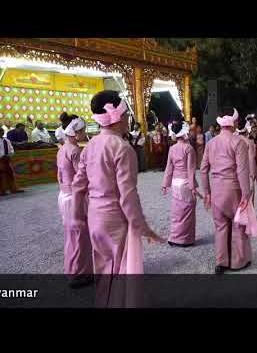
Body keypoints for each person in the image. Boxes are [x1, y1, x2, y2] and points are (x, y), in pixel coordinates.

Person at [70, 90, 164, 307]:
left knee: (103, 270)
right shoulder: (122, 148)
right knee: (121, 273)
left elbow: (78, 187)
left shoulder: (90, 146)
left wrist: (77, 217)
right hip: (115, 219)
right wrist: (143, 228)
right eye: (126, 114)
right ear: (118, 117)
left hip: (94, 216)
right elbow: (128, 197)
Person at [200, 107, 252, 274]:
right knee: (238, 225)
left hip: (216, 190)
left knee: (220, 226)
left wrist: (207, 191)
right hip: (234, 188)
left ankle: (221, 262)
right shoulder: (239, 142)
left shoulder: (211, 143)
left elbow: (203, 170)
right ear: (234, 122)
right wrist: (246, 193)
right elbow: (242, 171)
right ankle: (238, 261)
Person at [56, 117, 93, 288]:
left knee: (71, 235)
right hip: (74, 197)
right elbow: (81, 178)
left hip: (64, 195)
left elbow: (59, 176)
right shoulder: (75, 151)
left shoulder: (61, 149)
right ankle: (80, 273)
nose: (85, 133)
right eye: (83, 130)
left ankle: (72, 270)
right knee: (81, 236)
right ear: (76, 132)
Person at [162, 120, 198, 247]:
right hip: (185, 182)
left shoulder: (172, 148)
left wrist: (165, 184)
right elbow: (191, 170)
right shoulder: (188, 148)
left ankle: (174, 236)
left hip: (175, 182)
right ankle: (184, 239)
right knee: (187, 210)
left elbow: (169, 167)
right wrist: (193, 187)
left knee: (177, 211)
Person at [237, 122, 257, 205]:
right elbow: (251, 158)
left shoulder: (233, 140)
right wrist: (254, 174)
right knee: (249, 195)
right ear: (246, 131)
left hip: (235, 171)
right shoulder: (249, 142)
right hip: (247, 171)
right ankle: (249, 216)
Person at [0, 127, 24, 196]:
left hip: (7, 159)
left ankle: (13, 188)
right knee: (2, 175)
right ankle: (2, 190)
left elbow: (11, 149)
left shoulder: (6, 140)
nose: (2, 132)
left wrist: (9, 155)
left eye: (2, 131)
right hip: (1, 159)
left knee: (11, 174)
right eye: (0, 131)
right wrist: (2, 156)